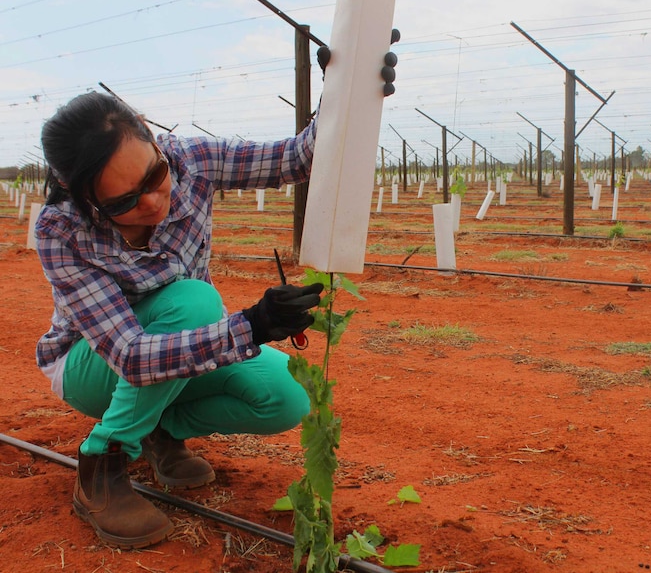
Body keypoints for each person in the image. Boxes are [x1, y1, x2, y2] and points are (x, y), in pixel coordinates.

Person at [35, 41, 397, 550]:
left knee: (287, 397)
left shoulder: (192, 161)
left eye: (155, 177)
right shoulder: (61, 229)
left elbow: (298, 158)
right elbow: (132, 357)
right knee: (194, 300)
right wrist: (252, 326)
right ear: (81, 194)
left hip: (174, 350)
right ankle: (104, 466)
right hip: (91, 366)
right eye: (124, 201)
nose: (155, 201)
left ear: (153, 137)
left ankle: (160, 429)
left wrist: (345, 93)